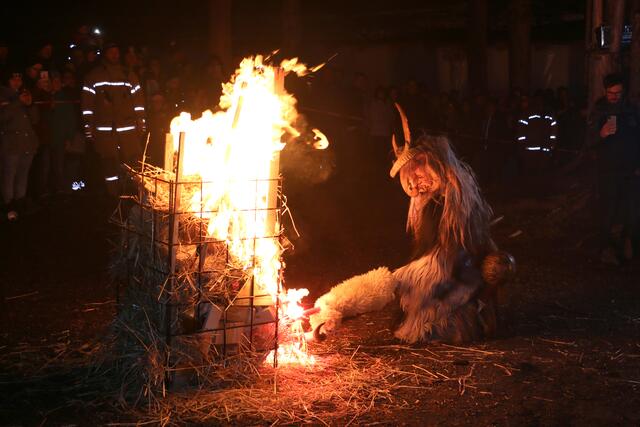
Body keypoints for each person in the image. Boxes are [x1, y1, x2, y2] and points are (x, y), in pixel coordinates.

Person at [309, 105, 514, 344]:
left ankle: (332, 307)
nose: (415, 182)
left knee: (392, 283)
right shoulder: (431, 202)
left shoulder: (456, 200)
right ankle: (331, 308)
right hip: (442, 271)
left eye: (418, 172)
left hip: (454, 274)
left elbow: (456, 255)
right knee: (394, 283)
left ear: (429, 162)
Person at [587, 73, 640, 264]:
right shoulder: (599, 111)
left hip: (630, 173)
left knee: (632, 214)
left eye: (618, 92)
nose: (614, 96)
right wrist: (601, 135)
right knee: (607, 214)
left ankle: (629, 250)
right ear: (605, 91)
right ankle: (604, 250)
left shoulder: (631, 111)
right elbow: (588, 142)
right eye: (611, 92)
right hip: (608, 173)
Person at [81, 42, 145, 196]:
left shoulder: (128, 74)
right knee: (109, 163)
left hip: (128, 128)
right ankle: (113, 195)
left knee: (134, 162)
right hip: (105, 130)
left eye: (117, 52)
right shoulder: (94, 76)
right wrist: (88, 126)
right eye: (111, 52)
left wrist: (141, 122)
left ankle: (136, 192)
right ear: (105, 54)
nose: (114, 55)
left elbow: (138, 101)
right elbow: (87, 103)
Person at [0, 72, 39, 221]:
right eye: (13, 78)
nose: (17, 81)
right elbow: (3, 118)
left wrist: (31, 104)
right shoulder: (3, 95)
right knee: (9, 175)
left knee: (23, 175)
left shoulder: (25, 94)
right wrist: (18, 102)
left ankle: (20, 202)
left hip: (27, 143)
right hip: (11, 144)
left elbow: (35, 120)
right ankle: (8, 205)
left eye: (19, 78)